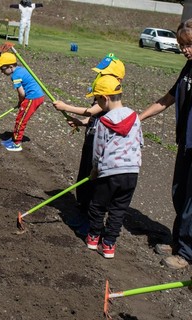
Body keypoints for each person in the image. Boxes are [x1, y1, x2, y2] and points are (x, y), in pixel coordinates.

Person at [139, 18, 192, 270]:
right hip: (186, 142)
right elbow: (168, 99)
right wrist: (138, 118)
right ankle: (178, 240)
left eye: (190, 45)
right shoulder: (188, 69)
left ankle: (186, 254)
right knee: (179, 194)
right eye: (182, 45)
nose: (185, 50)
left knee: (191, 200)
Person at [52, 54, 125, 235]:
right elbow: (92, 117)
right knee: (82, 177)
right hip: (90, 139)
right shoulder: (101, 92)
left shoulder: (109, 97)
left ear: (116, 78)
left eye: (103, 73)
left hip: (99, 146)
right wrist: (80, 122)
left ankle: (89, 220)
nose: (99, 76)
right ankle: (82, 209)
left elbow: (92, 111)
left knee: (92, 182)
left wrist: (65, 107)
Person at [84, 75, 143, 259]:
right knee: (118, 209)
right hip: (131, 172)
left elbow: (98, 148)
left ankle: (94, 237)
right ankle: (109, 245)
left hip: (109, 171)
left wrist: (94, 169)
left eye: (97, 99)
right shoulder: (134, 117)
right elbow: (140, 142)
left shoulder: (103, 121)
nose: (97, 103)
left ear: (105, 98)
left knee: (97, 205)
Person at [0, 52, 44, 152]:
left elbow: (22, 93)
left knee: (21, 120)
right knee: (20, 119)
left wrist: (21, 101)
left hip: (32, 98)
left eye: (2, 69)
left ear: (10, 67)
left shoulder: (15, 76)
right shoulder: (21, 69)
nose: (1, 72)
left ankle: (17, 144)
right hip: (36, 96)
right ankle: (14, 139)